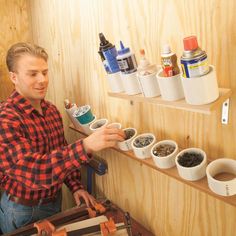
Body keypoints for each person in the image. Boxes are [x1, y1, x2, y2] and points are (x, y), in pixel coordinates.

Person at [0, 42, 125, 234]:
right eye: (33, 74)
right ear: (14, 77)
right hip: (22, 211)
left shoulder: (50, 111)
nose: (42, 80)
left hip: (54, 203)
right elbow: (34, 172)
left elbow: (60, 153)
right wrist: (85, 145)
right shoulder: (6, 118)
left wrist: (75, 187)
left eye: (45, 72)